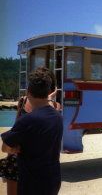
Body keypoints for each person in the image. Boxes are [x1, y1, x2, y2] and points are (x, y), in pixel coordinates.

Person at [1, 67, 63, 195]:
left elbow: (5, 146)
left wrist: (12, 148)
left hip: (31, 180)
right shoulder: (58, 117)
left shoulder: (28, 120)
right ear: (49, 90)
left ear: (28, 90)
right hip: (52, 179)